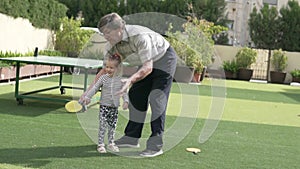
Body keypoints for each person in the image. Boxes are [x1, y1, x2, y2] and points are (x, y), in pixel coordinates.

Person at [82, 12, 177, 157]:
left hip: (164, 58)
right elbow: (104, 70)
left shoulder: (140, 36)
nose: (105, 36)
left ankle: (156, 146)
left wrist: (130, 80)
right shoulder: (110, 46)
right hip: (145, 63)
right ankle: (132, 138)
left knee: (157, 99)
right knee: (135, 95)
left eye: (107, 32)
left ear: (119, 28)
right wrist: (87, 93)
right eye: (103, 33)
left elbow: (148, 68)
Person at [80, 53, 129, 153]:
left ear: (118, 68)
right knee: (102, 125)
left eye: (111, 67)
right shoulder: (103, 78)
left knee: (112, 126)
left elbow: (124, 92)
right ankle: (101, 144)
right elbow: (95, 88)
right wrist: (88, 96)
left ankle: (111, 143)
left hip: (114, 107)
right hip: (104, 106)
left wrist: (126, 101)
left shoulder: (120, 81)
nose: (108, 69)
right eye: (107, 67)